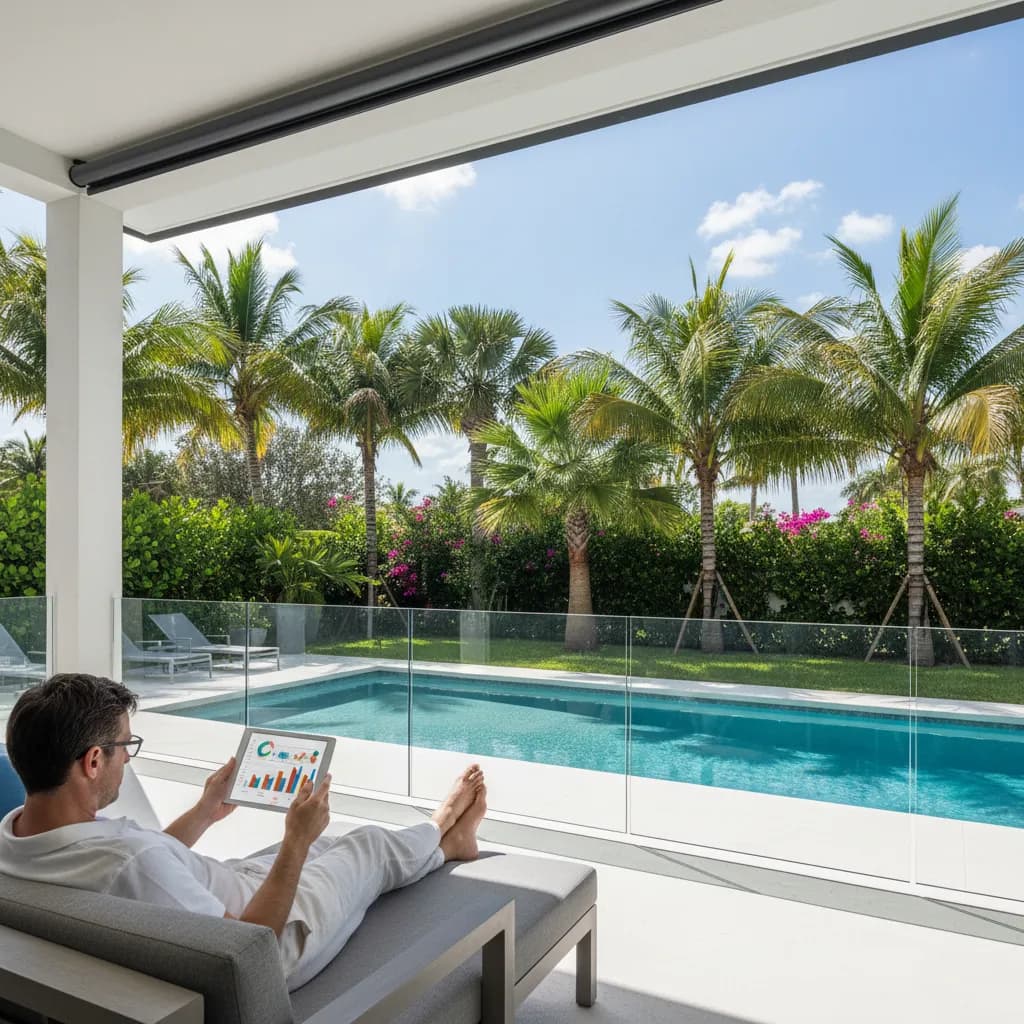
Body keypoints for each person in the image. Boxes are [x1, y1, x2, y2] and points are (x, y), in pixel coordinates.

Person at [0, 673, 488, 990]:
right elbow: (249, 947)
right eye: (126, 745)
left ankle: (438, 842)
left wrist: (205, 811)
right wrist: (295, 839)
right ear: (91, 761)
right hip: (273, 936)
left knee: (331, 844)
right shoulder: (130, 865)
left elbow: (147, 866)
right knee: (368, 845)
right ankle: (444, 831)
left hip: (219, 889)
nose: (128, 756)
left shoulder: (18, 838)